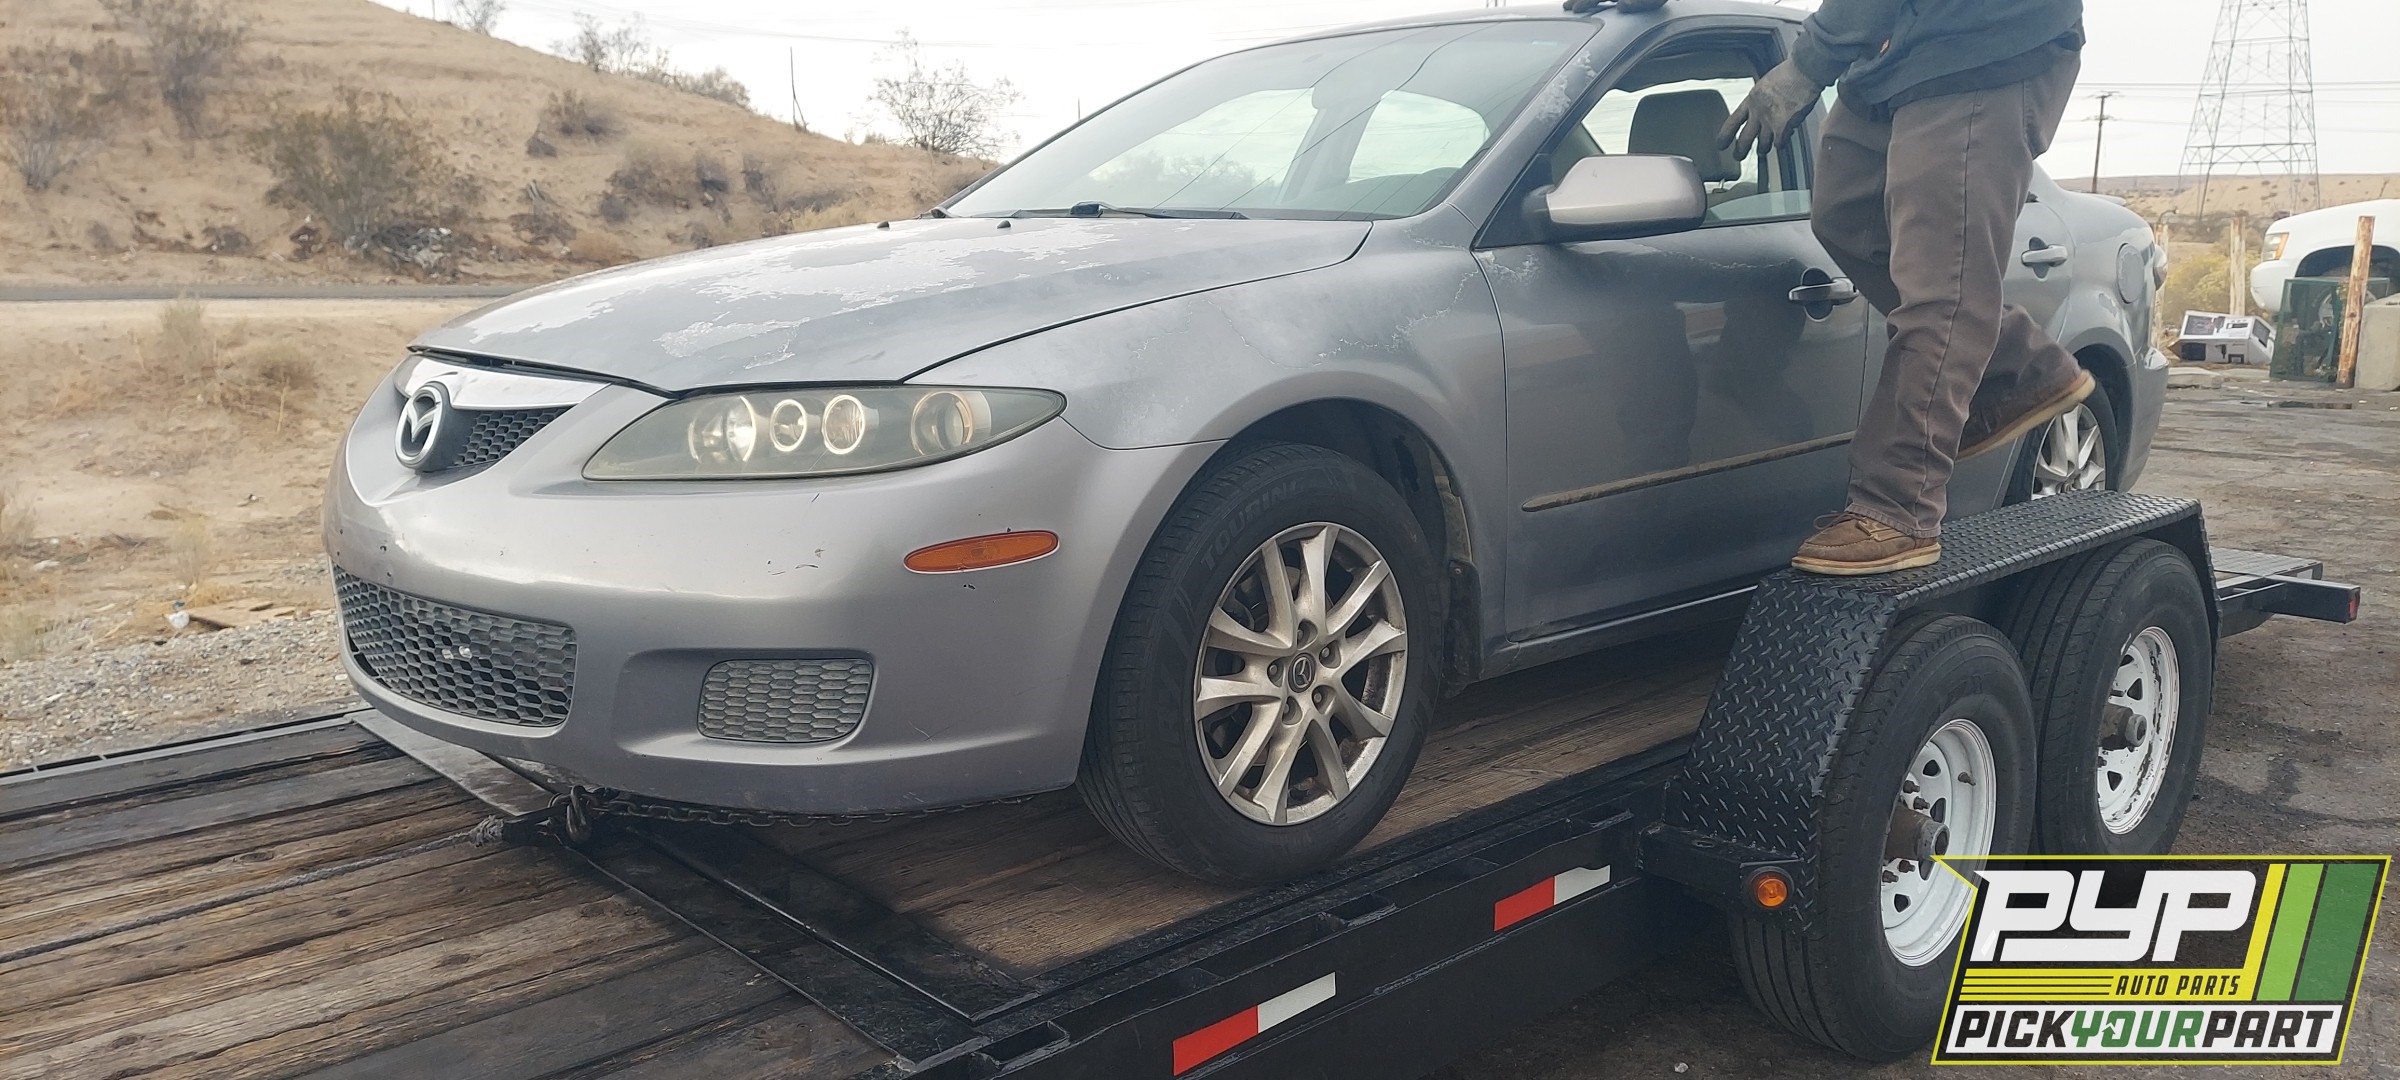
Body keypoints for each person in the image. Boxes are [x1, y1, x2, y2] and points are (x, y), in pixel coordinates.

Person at [1594, 0, 2092, 576]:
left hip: (1978, 45)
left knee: (1940, 293)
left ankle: (1899, 508)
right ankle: (2020, 366)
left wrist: (1807, 64)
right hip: (1887, 62)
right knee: (1845, 220)